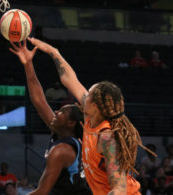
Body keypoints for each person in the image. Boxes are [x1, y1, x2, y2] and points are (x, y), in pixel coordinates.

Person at [26, 37, 156, 195]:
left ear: (95, 106)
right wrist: (53, 52)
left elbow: (120, 188)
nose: (83, 95)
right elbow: (69, 79)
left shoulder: (107, 138)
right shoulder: (90, 119)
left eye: (89, 95)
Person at [9, 40, 91, 195]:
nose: (56, 112)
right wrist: (28, 64)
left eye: (61, 112)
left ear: (70, 123)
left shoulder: (62, 151)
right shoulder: (62, 132)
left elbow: (42, 192)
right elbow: (39, 100)